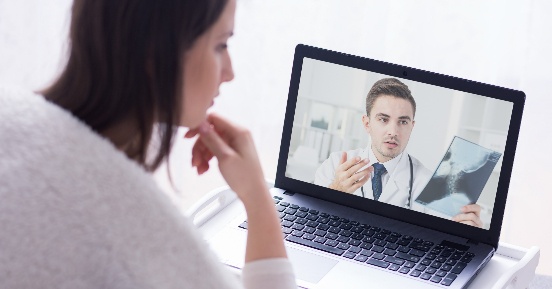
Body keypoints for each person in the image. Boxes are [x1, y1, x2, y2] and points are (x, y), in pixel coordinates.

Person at [0, 0, 296, 288]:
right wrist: (257, 196)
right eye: (220, 45)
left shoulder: (12, 121)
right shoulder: (132, 236)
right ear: (157, 55)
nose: (230, 72)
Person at [314, 78, 482, 227]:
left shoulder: (430, 185)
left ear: (412, 127)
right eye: (383, 119)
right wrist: (335, 192)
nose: (393, 131)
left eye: (402, 121)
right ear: (367, 124)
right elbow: (311, 223)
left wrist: (470, 233)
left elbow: (446, 242)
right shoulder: (335, 164)